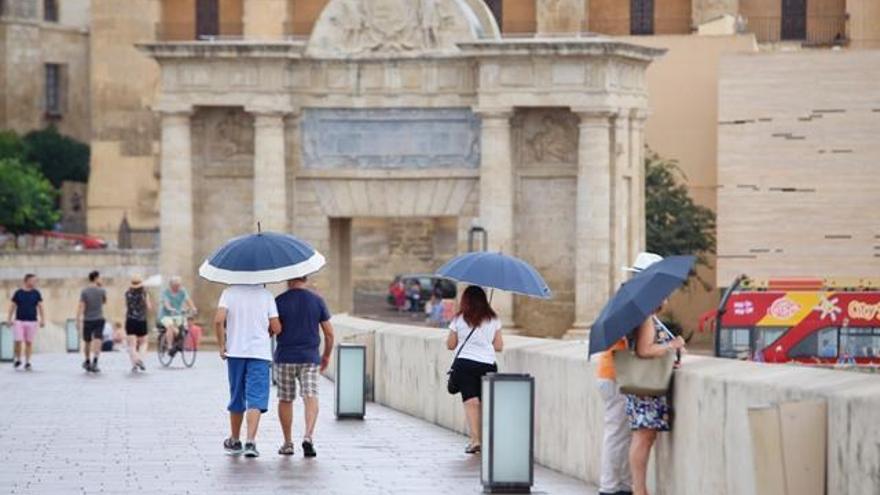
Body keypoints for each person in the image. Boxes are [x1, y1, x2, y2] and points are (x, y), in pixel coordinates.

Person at [595, 252, 662, 495]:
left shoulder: (626, 300)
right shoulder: (634, 305)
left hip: (612, 371)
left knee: (621, 433)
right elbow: (639, 346)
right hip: (616, 373)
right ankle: (610, 486)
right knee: (616, 433)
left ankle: (621, 484)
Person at [214, 284, 281, 458]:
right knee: (256, 397)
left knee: (237, 394)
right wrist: (267, 331)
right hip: (259, 353)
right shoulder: (266, 295)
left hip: (235, 352)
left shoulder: (228, 293)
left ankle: (235, 440)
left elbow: (218, 320)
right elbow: (277, 327)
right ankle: (250, 441)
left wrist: (222, 345)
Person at [625, 305, 686, 495]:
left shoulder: (646, 318)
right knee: (643, 436)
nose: (667, 299)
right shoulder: (646, 319)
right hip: (648, 386)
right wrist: (672, 345)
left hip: (646, 383)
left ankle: (639, 489)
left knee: (644, 435)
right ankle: (640, 490)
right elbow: (644, 350)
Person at [273, 276, 335, 457]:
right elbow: (329, 334)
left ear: (287, 279)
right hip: (309, 358)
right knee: (311, 395)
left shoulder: (279, 301)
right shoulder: (317, 300)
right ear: (305, 278)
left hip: (285, 357)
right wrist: (326, 355)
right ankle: (308, 436)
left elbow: (273, 329)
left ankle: (287, 443)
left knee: (285, 399)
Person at [446, 285, 503, 454]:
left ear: (465, 301)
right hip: (487, 364)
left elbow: (451, 345)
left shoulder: (459, 319)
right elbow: (499, 346)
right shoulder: (493, 319)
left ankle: (475, 440)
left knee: (471, 402)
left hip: (465, 364)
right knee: (486, 402)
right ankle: (490, 440)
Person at [7, 273, 45, 370]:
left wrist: (42, 319)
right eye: (33, 280)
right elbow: (12, 307)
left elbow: (40, 307)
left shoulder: (36, 293)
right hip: (19, 320)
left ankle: (28, 362)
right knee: (18, 341)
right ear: (26, 281)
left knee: (29, 342)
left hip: (32, 321)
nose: (35, 282)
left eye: (35, 281)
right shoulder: (18, 293)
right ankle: (18, 359)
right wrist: (9, 319)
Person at [77, 271, 107, 373]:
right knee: (98, 339)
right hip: (99, 318)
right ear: (96, 278)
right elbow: (104, 302)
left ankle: (87, 360)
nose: (101, 279)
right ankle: (95, 361)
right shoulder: (102, 290)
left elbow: (81, 306)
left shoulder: (84, 291)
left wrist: (78, 319)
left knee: (87, 341)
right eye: (100, 278)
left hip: (88, 319)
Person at [159, 276, 197, 355]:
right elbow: (166, 302)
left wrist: (193, 308)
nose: (178, 287)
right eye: (176, 285)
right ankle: (169, 346)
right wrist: (169, 308)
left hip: (178, 314)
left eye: (179, 285)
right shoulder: (166, 292)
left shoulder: (182, 291)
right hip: (166, 315)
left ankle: (179, 345)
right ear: (171, 285)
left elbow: (188, 300)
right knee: (170, 326)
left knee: (184, 328)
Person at [124, 275, 152, 372]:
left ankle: (134, 364)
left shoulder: (127, 293)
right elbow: (149, 307)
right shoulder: (144, 293)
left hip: (130, 320)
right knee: (143, 343)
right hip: (141, 320)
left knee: (132, 345)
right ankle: (139, 359)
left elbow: (127, 306)